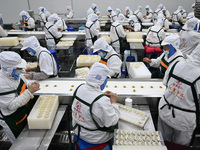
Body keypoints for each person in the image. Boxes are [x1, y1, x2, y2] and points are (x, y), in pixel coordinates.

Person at [157, 42, 200, 146]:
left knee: (162, 141)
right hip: (184, 119)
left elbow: (165, 83)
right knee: (180, 146)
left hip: (165, 110)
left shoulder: (177, 64)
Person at [72, 62, 119, 149]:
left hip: (79, 133)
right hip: (95, 139)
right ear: (101, 80)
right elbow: (112, 121)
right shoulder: (101, 101)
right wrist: (113, 102)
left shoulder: (79, 88)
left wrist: (99, 94)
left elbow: (89, 96)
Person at [0, 51, 40, 143]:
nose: (20, 70)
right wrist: (29, 92)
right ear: (9, 69)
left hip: (23, 111)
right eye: (18, 68)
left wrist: (32, 84)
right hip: (12, 118)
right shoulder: (2, 84)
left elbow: (25, 83)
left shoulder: (15, 74)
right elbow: (11, 106)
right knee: (20, 143)